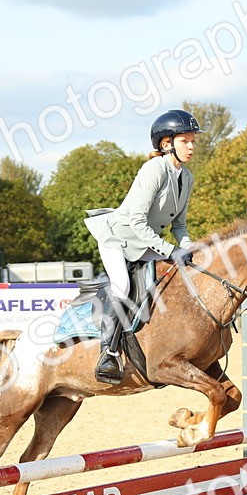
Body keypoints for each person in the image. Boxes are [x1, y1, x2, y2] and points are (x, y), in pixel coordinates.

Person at [84, 108, 200, 383]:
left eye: (193, 140)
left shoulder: (187, 177)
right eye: (185, 141)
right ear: (166, 143)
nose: (192, 146)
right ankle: (108, 355)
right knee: (122, 286)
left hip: (146, 242)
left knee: (170, 281)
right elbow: (136, 221)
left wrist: (190, 247)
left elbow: (179, 225)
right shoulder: (153, 169)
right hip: (119, 239)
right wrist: (171, 251)